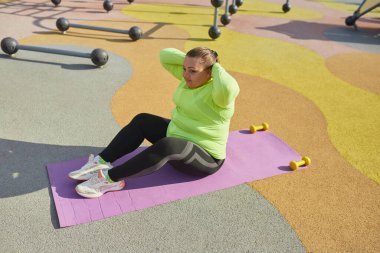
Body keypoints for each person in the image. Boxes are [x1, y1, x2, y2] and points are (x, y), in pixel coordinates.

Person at [70, 47, 240, 198]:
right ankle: (101, 161)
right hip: (178, 135)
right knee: (143, 120)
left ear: (210, 72)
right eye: (184, 69)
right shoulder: (189, 80)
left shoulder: (220, 95)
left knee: (168, 145)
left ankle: (110, 178)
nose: (186, 75)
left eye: (193, 71)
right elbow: (164, 55)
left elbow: (229, 87)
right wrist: (194, 62)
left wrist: (215, 64)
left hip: (205, 157)